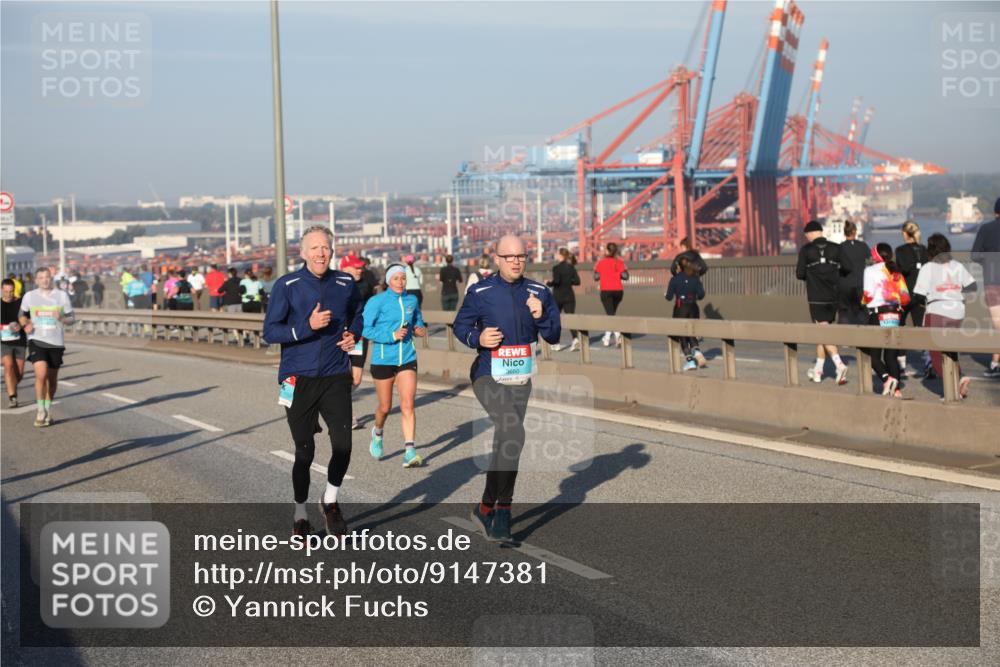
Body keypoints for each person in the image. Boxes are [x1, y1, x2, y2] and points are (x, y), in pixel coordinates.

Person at [453, 235, 561, 542]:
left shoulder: (539, 292)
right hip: (488, 375)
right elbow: (461, 326)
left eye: (521, 256)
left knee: (507, 443)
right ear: (497, 259)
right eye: (509, 256)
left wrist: (540, 316)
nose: (515, 261)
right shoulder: (481, 291)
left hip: (520, 379)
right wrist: (478, 339)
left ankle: (485, 506)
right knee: (514, 433)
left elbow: (554, 335)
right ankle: (504, 511)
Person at [263, 226, 363, 537]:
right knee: (304, 453)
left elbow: (359, 314)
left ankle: (330, 500)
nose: (321, 253)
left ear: (332, 252)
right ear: (303, 253)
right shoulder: (287, 285)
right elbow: (270, 331)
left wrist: (353, 336)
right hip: (298, 377)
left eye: (326, 248)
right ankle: (300, 513)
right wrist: (305, 327)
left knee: (344, 446)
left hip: (335, 375)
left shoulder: (345, 282)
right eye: (315, 248)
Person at [363, 264, 427, 468]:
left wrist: (419, 329)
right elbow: (365, 329)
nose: (400, 282)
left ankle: (409, 451)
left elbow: (418, 320)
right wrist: (391, 336)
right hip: (383, 359)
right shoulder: (377, 301)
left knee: (408, 405)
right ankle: (378, 432)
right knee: (385, 407)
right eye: (396, 278)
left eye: (403, 278)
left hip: (407, 357)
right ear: (388, 281)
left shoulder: (412, 300)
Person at [914, 233, 975, 399]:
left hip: (937, 310)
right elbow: (972, 286)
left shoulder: (928, 267)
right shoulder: (957, 265)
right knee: (950, 350)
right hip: (957, 311)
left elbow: (918, 295)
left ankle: (953, 388)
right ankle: (959, 380)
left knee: (935, 353)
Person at [18, 267, 75, 427]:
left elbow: (72, 318)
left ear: (51, 279)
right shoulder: (29, 296)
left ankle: (48, 408)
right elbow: (21, 315)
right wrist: (25, 324)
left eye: (47, 277)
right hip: (36, 340)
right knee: (41, 375)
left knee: (52, 379)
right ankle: (40, 409)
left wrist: (62, 317)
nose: (44, 280)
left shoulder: (61, 296)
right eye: (41, 277)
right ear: (36, 280)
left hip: (56, 342)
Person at [796, 220, 848, 385]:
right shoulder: (836, 248)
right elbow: (847, 268)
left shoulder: (806, 250)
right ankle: (818, 371)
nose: (807, 238)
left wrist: (813, 274)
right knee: (822, 333)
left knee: (823, 331)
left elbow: (799, 274)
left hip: (816, 297)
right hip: (833, 297)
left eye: (807, 235)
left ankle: (839, 364)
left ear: (811, 233)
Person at [862, 243, 910, 397]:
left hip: (878, 315)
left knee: (874, 356)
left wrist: (862, 302)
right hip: (895, 316)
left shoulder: (869, 270)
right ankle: (896, 390)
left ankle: (886, 378)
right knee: (891, 356)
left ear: (876, 256)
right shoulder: (896, 271)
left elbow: (868, 295)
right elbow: (905, 298)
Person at [340, 255, 373, 429]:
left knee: (356, 379)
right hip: (339, 337)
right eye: (356, 268)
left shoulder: (365, 286)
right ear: (345, 268)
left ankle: (336, 402)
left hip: (358, 336)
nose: (360, 270)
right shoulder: (334, 285)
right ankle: (347, 415)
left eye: (361, 268)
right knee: (341, 377)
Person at [895, 221, 931, 377]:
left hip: (905, 295)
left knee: (901, 328)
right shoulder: (923, 250)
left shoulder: (900, 250)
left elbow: (900, 270)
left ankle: (901, 366)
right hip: (921, 294)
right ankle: (928, 363)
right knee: (921, 330)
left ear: (905, 233)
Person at [971, 197, 1000, 378]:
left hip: (993, 282)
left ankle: (996, 363)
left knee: (998, 324)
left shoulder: (986, 229)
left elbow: (975, 255)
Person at [666, 257, 707, 370]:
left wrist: (665, 294)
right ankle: (697, 352)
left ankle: (690, 362)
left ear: (679, 266)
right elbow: (702, 295)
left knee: (682, 335)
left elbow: (669, 297)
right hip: (694, 307)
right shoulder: (696, 278)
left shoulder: (675, 279)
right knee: (692, 332)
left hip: (681, 307)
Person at [594, 242, 628, 347]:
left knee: (610, 315)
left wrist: (604, 274)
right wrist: (617, 274)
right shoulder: (620, 262)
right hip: (618, 291)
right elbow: (626, 276)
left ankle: (617, 335)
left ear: (607, 251)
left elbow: (596, 277)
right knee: (611, 314)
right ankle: (607, 336)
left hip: (606, 291)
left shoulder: (600, 263)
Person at [546, 248, 581, 351]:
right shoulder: (571, 267)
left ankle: (556, 343)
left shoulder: (556, 268)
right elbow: (577, 282)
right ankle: (575, 339)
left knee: (555, 319)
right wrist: (568, 281)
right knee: (570, 318)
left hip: (558, 296)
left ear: (561, 256)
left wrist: (549, 283)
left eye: (557, 253)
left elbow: (556, 281)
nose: (555, 255)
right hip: (570, 295)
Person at [837, 221, 870, 326]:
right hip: (860, 284)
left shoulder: (840, 247)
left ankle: (845, 338)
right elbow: (870, 260)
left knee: (845, 313)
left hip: (844, 285)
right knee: (862, 312)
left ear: (844, 233)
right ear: (855, 232)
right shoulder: (863, 246)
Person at [1, 278, 27, 407]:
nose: (9, 294)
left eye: (11, 291)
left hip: (20, 340)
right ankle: (12, 397)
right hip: (4, 342)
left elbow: (26, 318)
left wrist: (20, 326)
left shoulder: (20, 303)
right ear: (2, 290)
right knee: (8, 366)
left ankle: (12, 386)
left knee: (20, 373)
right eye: (6, 292)